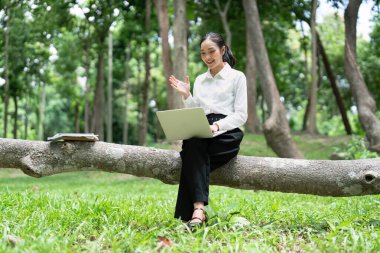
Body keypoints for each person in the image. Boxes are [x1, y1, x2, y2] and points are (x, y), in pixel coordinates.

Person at [168, 32, 247, 228]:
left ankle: (193, 214)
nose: (207, 57)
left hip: (227, 132)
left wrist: (217, 126)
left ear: (223, 50)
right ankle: (198, 210)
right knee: (193, 141)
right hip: (202, 130)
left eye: (211, 51)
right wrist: (187, 95)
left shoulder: (237, 77)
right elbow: (198, 111)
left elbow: (241, 115)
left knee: (190, 156)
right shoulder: (199, 80)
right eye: (203, 53)